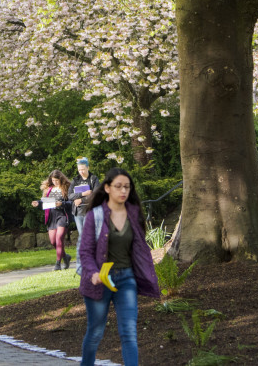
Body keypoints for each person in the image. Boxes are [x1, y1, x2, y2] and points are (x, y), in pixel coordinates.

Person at [78, 168, 159, 366]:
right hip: (99, 280)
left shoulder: (134, 214)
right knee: (95, 332)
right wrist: (93, 273)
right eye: (118, 187)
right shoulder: (95, 215)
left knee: (129, 333)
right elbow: (85, 251)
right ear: (107, 188)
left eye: (127, 187)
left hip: (126, 279)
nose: (123, 191)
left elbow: (140, 248)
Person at [32, 169, 73, 270]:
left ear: (61, 179)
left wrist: (62, 203)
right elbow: (44, 202)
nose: (55, 182)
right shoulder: (48, 189)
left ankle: (58, 263)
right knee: (53, 241)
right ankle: (65, 257)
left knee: (59, 239)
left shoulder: (67, 188)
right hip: (52, 216)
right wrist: (37, 203)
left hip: (63, 215)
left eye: (56, 180)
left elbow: (72, 203)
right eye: (53, 180)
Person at [69, 157, 100, 265]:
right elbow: (70, 195)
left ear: (88, 168)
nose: (81, 172)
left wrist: (81, 200)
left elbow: (95, 195)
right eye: (79, 170)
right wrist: (83, 194)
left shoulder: (93, 179)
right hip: (78, 212)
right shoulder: (75, 180)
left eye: (83, 169)